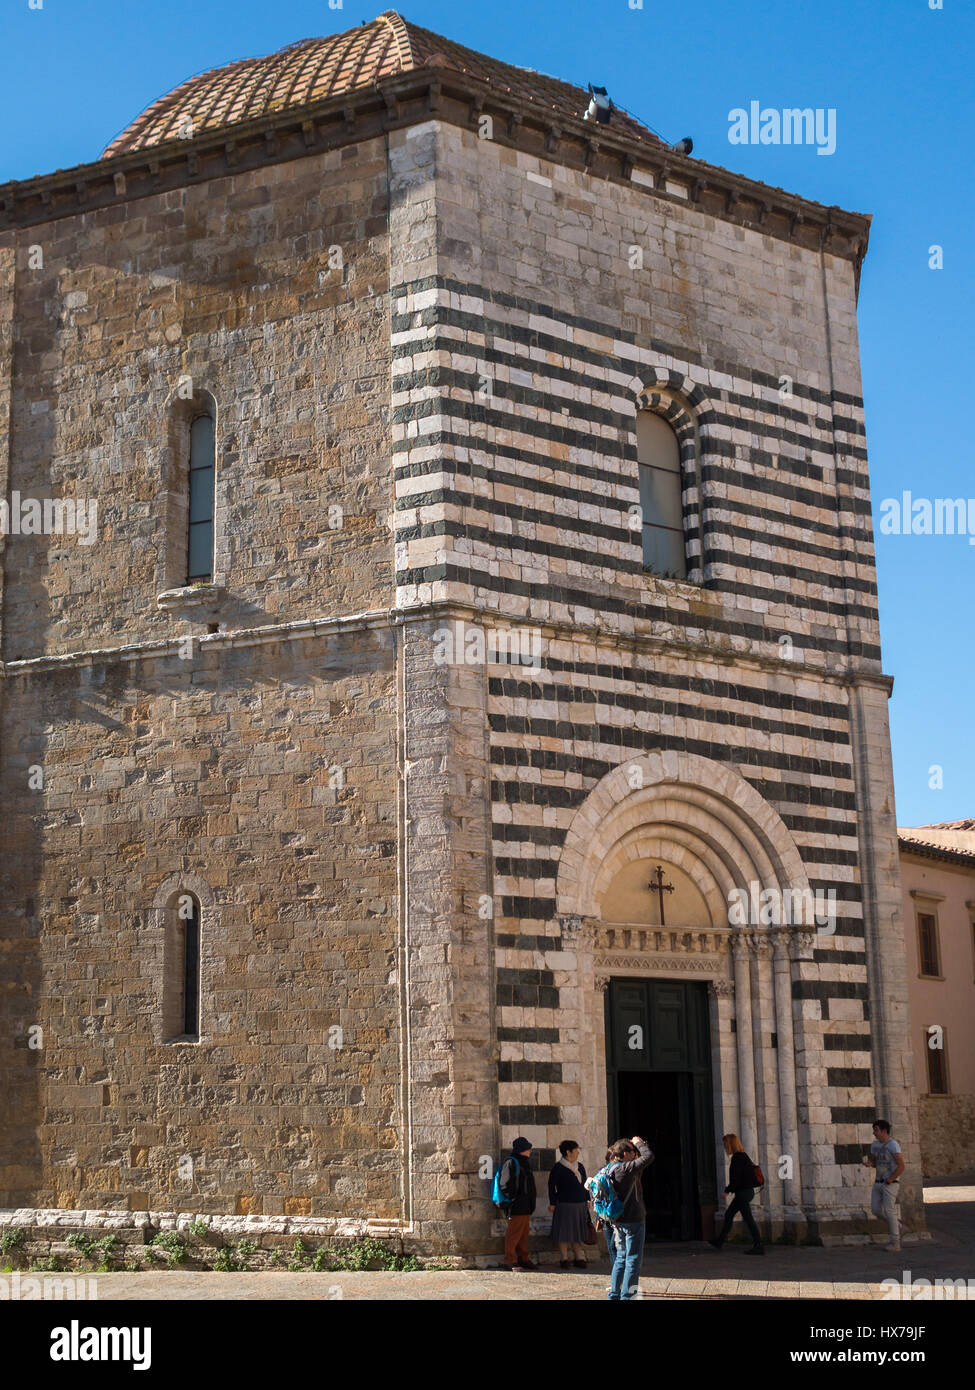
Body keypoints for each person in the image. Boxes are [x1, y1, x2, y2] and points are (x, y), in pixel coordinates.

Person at [599, 1135, 654, 1300]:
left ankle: (614, 1294)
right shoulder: (625, 1169)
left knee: (621, 1258)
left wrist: (638, 1146)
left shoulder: (610, 1168)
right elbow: (648, 1157)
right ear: (624, 1154)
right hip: (633, 1220)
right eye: (632, 1151)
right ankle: (627, 1296)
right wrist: (640, 1143)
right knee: (633, 1260)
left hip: (618, 1220)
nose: (635, 1153)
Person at [708, 1133, 764, 1255]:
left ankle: (758, 1245)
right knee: (729, 1214)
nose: (724, 1146)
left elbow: (736, 1179)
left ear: (730, 1144)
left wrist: (727, 1191)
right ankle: (719, 1241)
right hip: (746, 1192)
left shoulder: (737, 1158)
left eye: (725, 1144)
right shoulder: (743, 1156)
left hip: (743, 1193)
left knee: (748, 1219)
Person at [864, 1118, 905, 1252]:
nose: (874, 1133)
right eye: (874, 1130)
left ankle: (895, 1242)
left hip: (890, 1183)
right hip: (878, 1182)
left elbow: (901, 1165)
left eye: (876, 1130)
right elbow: (876, 1161)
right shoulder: (875, 1145)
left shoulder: (893, 1145)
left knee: (889, 1210)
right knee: (876, 1210)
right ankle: (898, 1226)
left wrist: (891, 1180)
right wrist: (870, 1164)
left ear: (884, 1131)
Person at [548, 1139, 590, 1268]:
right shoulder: (558, 1167)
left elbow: (585, 1184)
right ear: (568, 1152)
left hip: (580, 1204)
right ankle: (564, 1258)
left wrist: (587, 1198)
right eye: (576, 1150)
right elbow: (551, 1186)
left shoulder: (580, 1166)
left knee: (577, 1232)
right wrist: (553, 1203)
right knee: (564, 1232)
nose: (578, 1152)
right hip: (564, 1204)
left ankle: (579, 1257)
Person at [498, 1136, 537, 1270]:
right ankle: (509, 1260)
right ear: (521, 1149)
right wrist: (514, 1198)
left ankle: (523, 1258)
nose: (529, 1151)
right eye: (527, 1148)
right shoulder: (511, 1162)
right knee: (514, 1234)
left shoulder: (524, 1162)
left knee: (523, 1234)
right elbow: (505, 1184)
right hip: (516, 1205)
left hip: (525, 1205)